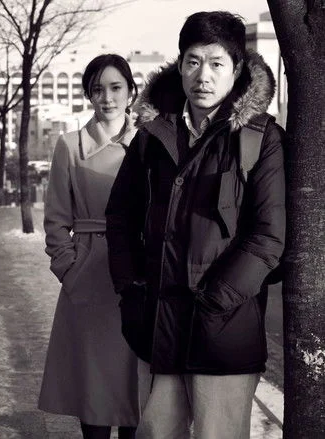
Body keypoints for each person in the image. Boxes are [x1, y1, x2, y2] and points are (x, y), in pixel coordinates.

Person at [105, 11, 285, 439]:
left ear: (236, 69)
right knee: (155, 432)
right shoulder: (153, 134)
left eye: (217, 63)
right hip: (158, 326)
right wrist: (131, 289)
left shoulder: (260, 137)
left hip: (225, 333)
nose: (203, 75)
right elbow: (121, 217)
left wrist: (213, 302)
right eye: (193, 61)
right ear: (180, 64)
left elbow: (268, 237)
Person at [38, 54, 142, 439]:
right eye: (98, 89)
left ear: (131, 91)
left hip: (137, 276)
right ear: (88, 95)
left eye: (116, 87)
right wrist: (70, 268)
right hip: (90, 274)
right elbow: (55, 218)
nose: (107, 97)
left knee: (135, 388)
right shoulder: (70, 146)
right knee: (94, 387)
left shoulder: (149, 143)